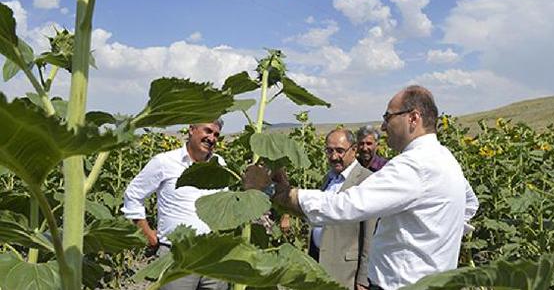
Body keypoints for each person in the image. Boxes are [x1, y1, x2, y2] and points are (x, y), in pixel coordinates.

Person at [244, 86, 479, 290]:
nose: (384, 127)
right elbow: (470, 205)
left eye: (388, 117)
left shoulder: (415, 165)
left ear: (413, 118)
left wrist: (273, 191)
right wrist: (437, 237)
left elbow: (345, 205)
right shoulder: (444, 158)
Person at [122, 120, 228, 290]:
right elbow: (133, 195)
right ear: (191, 130)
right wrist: (147, 233)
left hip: (213, 254)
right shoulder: (165, 162)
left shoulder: (220, 164)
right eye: (207, 131)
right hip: (177, 253)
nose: (212, 138)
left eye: (216, 134)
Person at [308, 129, 376, 290]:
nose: (333, 156)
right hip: (320, 262)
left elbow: (370, 234)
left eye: (340, 151)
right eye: (329, 151)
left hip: (346, 271)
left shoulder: (366, 180)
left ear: (353, 150)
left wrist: (363, 278)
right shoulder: (329, 178)